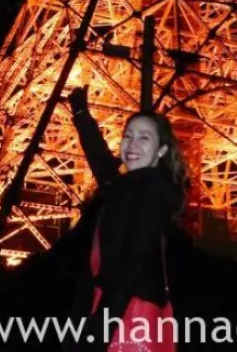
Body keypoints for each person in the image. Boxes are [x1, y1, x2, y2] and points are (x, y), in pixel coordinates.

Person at [68, 87, 186, 350]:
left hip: (124, 312)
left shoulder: (152, 193)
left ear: (162, 150)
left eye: (144, 138)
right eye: (128, 136)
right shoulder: (131, 187)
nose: (132, 145)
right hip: (113, 306)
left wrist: (98, 330)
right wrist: (81, 115)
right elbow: (102, 164)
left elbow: (134, 264)